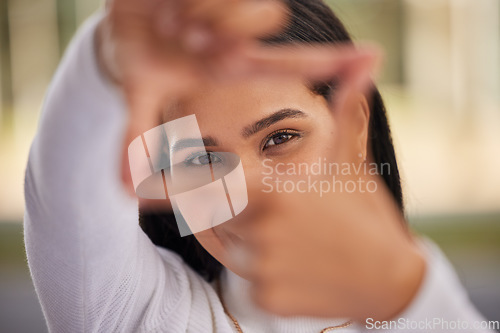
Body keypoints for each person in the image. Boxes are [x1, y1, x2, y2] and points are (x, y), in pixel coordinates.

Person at [24, 0, 493, 332]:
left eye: (281, 138)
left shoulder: (418, 304)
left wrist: (404, 294)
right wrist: (105, 57)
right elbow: (66, 191)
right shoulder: (141, 316)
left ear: (353, 130)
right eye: (201, 159)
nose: (244, 193)